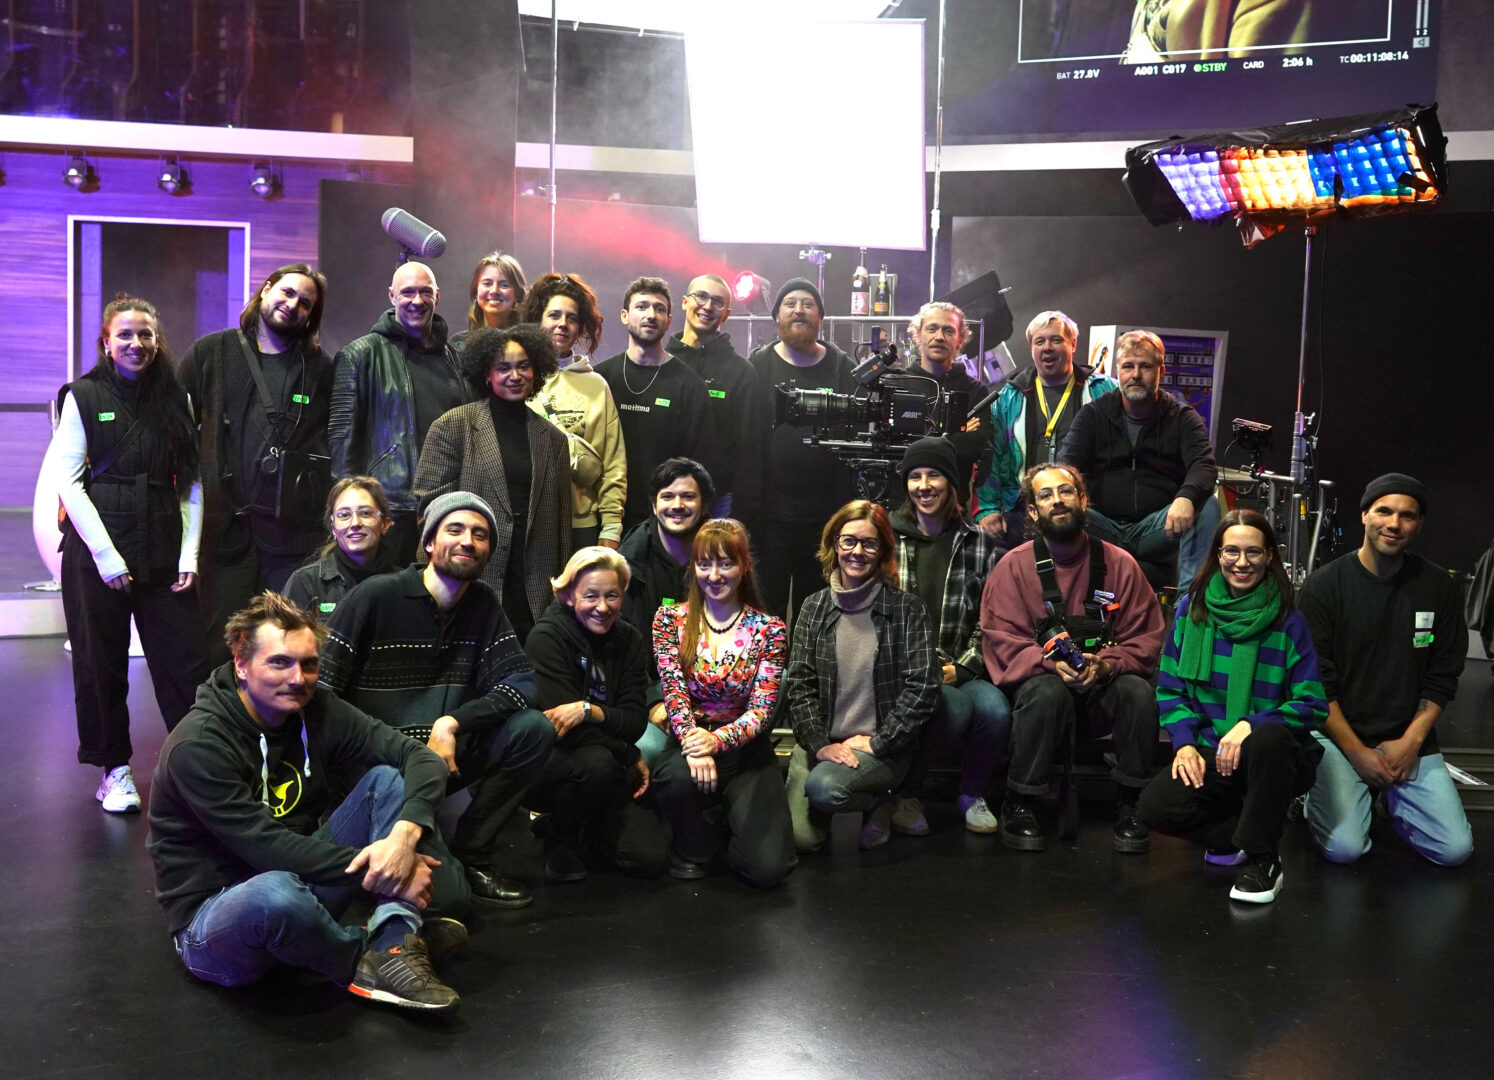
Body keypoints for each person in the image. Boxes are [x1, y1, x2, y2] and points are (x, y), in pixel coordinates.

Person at [146, 592, 463, 1012]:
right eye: (280, 663)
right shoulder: (198, 744)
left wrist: (404, 840)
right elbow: (267, 848)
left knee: (387, 782)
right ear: (241, 664)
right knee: (274, 893)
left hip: (300, 888)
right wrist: (384, 867)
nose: (298, 679)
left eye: (309, 664)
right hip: (215, 922)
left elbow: (420, 758)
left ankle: (394, 941)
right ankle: (362, 957)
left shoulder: (317, 709)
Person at [319, 491, 555, 909]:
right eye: (455, 530)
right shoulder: (377, 596)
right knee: (446, 900)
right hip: (380, 768)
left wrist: (451, 723)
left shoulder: (483, 604)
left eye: (480, 535)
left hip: (444, 758)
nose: (468, 541)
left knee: (532, 729)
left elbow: (521, 682)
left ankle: (474, 852)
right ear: (429, 542)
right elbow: (322, 690)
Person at [43, 294, 210, 813]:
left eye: (145, 334)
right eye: (125, 335)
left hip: (162, 549)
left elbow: (192, 484)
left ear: (157, 341)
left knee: (186, 664)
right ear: (106, 342)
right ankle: (114, 771)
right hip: (96, 557)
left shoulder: (177, 398)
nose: (136, 343)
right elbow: (69, 483)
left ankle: (196, 767)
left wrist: (189, 555)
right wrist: (107, 556)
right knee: (101, 665)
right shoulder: (83, 396)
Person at [1136, 509, 1326, 904]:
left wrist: (1252, 723)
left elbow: (1313, 704)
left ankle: (1264, 859)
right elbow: (1170, 689)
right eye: (1232, 551)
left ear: (1269, 556)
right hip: (1212, 749)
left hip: (1273, 757)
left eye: (1253, 552)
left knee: (1268, 737)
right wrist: (1184, 743)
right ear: (1218, 554)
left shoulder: (1289, 620)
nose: (1242, 562)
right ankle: (1236, 834)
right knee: (1154, 808)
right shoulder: (1191, 609)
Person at [980, 464, 1165, 853]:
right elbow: (1001, 640)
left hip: (1102, 687)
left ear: (1083, 500)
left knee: (1137, 693)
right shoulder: (1012, 567)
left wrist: (1108, 664)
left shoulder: (1121, 565)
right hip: (1041, 690)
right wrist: (1050, 663)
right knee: (1047, 692)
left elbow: (1145, 638)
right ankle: (1021, 799)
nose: (1057, 501)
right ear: (1033, 512)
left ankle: (1132, 802)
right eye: (1045, 495)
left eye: (1066, 491)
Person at [1300, 473, 1473, 868]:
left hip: (1406, 737)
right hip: (1338, 736)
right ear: (1364, 515)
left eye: (1407, 516)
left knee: (1454, 850)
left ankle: (1384, 798)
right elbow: (1316, 685)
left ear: (1419, 524)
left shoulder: (1438, 587)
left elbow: (1443, 675)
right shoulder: (1323, 587)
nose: (1394, 524)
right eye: (1384, 511)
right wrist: (1358, 754)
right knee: (1345, 849)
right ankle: (1313, 796)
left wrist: (1411, 743)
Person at [177, 262, 335, 663]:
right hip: (224, 533)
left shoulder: (318, 367)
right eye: (287, 292)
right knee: (223, 646)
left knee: (287, 644)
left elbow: (333, 441)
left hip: (292, 538)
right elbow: (173, 426)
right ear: (266, 289)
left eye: (305, 303)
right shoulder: (212, 352)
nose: (293, 305)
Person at [784, 500, 941, 852]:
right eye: (849, 541)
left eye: (869, 543)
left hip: (881, 748)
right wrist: (820, 745)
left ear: (883, 550)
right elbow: (799, 686)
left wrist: (879, 742)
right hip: (823, 743)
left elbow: (923, 688)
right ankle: (870, 798)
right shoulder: (813, 607)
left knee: (824, 789)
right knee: (800, 840)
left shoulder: (907, 609)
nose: (857, 551)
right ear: (834, 544)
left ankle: (884, 799)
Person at [650, 519, 794, 886]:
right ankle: (694, 846)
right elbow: (674, 693)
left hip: (745, 752)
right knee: (674, 778)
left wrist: (716, 741)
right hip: (690, 743)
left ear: (744, 566)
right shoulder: (669, 620)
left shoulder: (770, 630)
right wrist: (694, 744)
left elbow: (761, 712)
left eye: (725, 563)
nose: (714, 575)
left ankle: (728, 824)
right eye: (704, 564)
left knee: (766, 870)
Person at [413, 323, 571, 643]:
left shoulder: (554, 439)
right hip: (470, 568)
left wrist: (563, 583)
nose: (515, 376)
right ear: (487, 374)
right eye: (503, 368)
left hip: (535, 577)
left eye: (523, 366)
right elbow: (430, 508)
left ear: (536, 370)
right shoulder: (452, 425)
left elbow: (562, 523)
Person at [886, 437, 1009, 836]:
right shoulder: (887, 538)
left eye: (934, 475)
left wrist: (964, 667)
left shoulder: (980, 543)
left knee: (994, 710)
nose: (924, 486)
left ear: (951, 483)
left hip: (959, 666)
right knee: (949, 707)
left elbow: (992, 621)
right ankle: (905, 794)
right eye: (915, 477)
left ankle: (972, 793)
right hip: (901, 668)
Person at [523, 547, 667, 883]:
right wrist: (628, 753)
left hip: (606, 764)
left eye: (611, 595)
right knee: (596, 761)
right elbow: (564, 729)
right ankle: (561, 838)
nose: (602, 607)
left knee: (647, 859)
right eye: (591, 595)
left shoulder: (630, 639)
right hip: (552, 764)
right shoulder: (546, 638)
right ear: (568, 595)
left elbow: (635, 721)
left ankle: (585, 823)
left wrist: (590, 711)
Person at [329, 261, 471, 564]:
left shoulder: (457, 360)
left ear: (438, 296)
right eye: (407, 292)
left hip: (447, 506)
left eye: (425, 292)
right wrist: (354, 512)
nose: (417, 301)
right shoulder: (360, 355)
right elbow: (342, 443)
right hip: (390, 510)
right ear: (391, 296)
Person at [1058, 329, 1219, 586]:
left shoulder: (1182, 418)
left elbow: (1204, 466)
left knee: (1207, 506)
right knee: (1056, 506)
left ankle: (1190, 602)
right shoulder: (1092, 415)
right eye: (1128, 366)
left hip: (1157, 529)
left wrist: (1186, 497)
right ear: (1117, 372)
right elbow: (1065, 467)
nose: (1135, 374)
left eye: (1145, 366)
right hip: (1101, 526)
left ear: (1161, 372)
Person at [746, 278, 858, 618]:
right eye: (790, 304)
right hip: (769, 516)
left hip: (826, 516)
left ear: (820, 317)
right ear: (776, 317)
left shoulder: (842, 368)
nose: (799, 310)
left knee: (819, 611)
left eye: (808, 304)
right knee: (767, 609)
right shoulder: (757, 366)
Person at [974, 310, 1116, 541]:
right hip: (1024, 509)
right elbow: (993, 456)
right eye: (1039, 341)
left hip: (1086, 508)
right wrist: (988, 508)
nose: (1047, 347)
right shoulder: (1009, 398)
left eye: (1056, 340)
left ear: (1073, 344)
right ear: (1032, 348)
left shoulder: (1104, 391)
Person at [595, 277, 714, 531]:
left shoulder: (690, 385)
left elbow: (698, 464)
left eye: (659, 309)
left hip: (664, 520)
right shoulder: (600, 378)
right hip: (603, 516)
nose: (651, 315)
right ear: (625, 316)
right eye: (642, 307)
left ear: (668, 321)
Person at [618, 457, 716, 766]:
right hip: (648, 695)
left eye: (688, 496)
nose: (677, 505)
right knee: (654, 753)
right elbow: (623, 654)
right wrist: (655, 702)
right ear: (653, 503)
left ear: (704, 504)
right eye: (668, 496)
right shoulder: (628, 566)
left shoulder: (723, 555)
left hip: (713, 692)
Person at [521, 273, 626, 550]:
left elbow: (613, 462)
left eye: (572, 318)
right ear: (538, 319)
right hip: (527, 521)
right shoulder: (517, 378)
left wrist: (611, 526)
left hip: (581, 527)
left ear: (581, 327)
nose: (562, 324)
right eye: (554, 315)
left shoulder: (596, 386)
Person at [665, 274, 762, 523]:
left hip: (718, 504)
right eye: (701, 296)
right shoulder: (660, 362)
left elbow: (751, 450)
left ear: (726, 314)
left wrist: (741, 513)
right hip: (662, 497)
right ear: (685, 302)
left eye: (718, 302)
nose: (708, 306)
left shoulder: (741, 372)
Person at [283, 476, 398, 618]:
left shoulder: (403, 584)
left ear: (385, 524)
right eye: (344, 515)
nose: (355, 523)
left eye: (365, 513)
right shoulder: (305, 582)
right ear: (333, 528)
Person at [456, 251, 527, 341]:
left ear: (517, 294)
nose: (494, 291)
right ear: (476, 290)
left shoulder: (528, 342)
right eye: (487, 284)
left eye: (504, 285)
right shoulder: (458, 343)